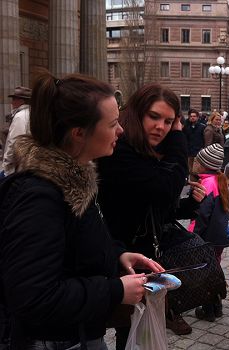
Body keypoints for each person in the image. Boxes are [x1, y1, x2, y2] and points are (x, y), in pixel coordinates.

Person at [0, 72, 162, 349]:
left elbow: (78, 246)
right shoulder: (38, 196)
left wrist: (118, 255)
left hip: (80, 334)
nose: (120, 131)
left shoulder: (76, 179)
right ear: (79, 133)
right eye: (112, 124)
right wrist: (116, 290)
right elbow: (34, 297)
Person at [97, 84, 207, 342]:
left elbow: (154, 207)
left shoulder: (146, 152)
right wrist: (179, 137)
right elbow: (164, 189)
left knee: (136, 331)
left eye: (169, 121)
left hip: (142, 256)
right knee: (127, 328)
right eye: (154, 117)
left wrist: (189, 205)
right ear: (137, 114)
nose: (162, 126)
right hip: (119, 255)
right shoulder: (121, 151)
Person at [187, 143, 229, 322]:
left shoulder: (206, 184)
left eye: (198, 160)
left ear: (205, 165)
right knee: (214, 269)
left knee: (206, 273)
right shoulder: (217, 180)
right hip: (219, 236)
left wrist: (193, 235)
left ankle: (208, 310)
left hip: (209, 237)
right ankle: (216, 306)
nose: (194, 162)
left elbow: (201, 215)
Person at [1, 86, 32, 177]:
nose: (12, 102)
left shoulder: (20, 116)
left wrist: (6, 166)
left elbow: (14, 142)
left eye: (14, 99)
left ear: (22, 101)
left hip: (17, 167)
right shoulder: (30, 113)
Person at [183, 108, 205, 179]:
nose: (192, 117)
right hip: (189, 153)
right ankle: (193, 187)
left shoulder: (202, 127)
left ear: (198, 117)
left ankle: (197, 187)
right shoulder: (186, 127)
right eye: (191, 116)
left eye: (194, 116)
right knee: (191, 171)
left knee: (197, 172)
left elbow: (204, 139)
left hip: (198, 153)